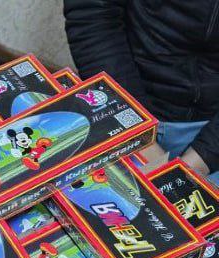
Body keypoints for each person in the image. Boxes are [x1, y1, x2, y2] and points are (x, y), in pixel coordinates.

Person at [64, 0, 219, 181]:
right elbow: (91, 14)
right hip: (126, 101)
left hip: (211, 129)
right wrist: (136, 129)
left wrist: (203, 157)